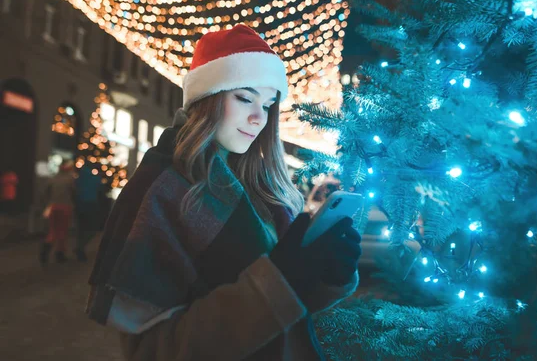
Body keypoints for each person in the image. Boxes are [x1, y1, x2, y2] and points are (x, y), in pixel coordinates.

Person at [85, 24, 362, 360]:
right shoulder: (163, 188)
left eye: (269, 103)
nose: (259, 117)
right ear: (208, 98)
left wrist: (326, 275)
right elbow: (152, 350)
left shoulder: (262, 188)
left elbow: (289, 311)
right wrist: (279, 281)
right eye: (244, 97)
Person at [39, 160, 75, 265]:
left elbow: (44, 192)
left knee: (53, 229)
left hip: (52, 206)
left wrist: (48, 202)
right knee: (63, 230)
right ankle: (60, 253)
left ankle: (46, 247)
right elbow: (74, 193)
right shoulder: (70, 179)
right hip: (65, 206)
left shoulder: (53, 179)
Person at [73, 162, 104, 262]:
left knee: (81, 229)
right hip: (91, 205)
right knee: (92, 229)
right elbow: (101, 190)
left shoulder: (78, 179)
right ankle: (81, 247)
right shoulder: (95, 179)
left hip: (79, 205)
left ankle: (79, 247)